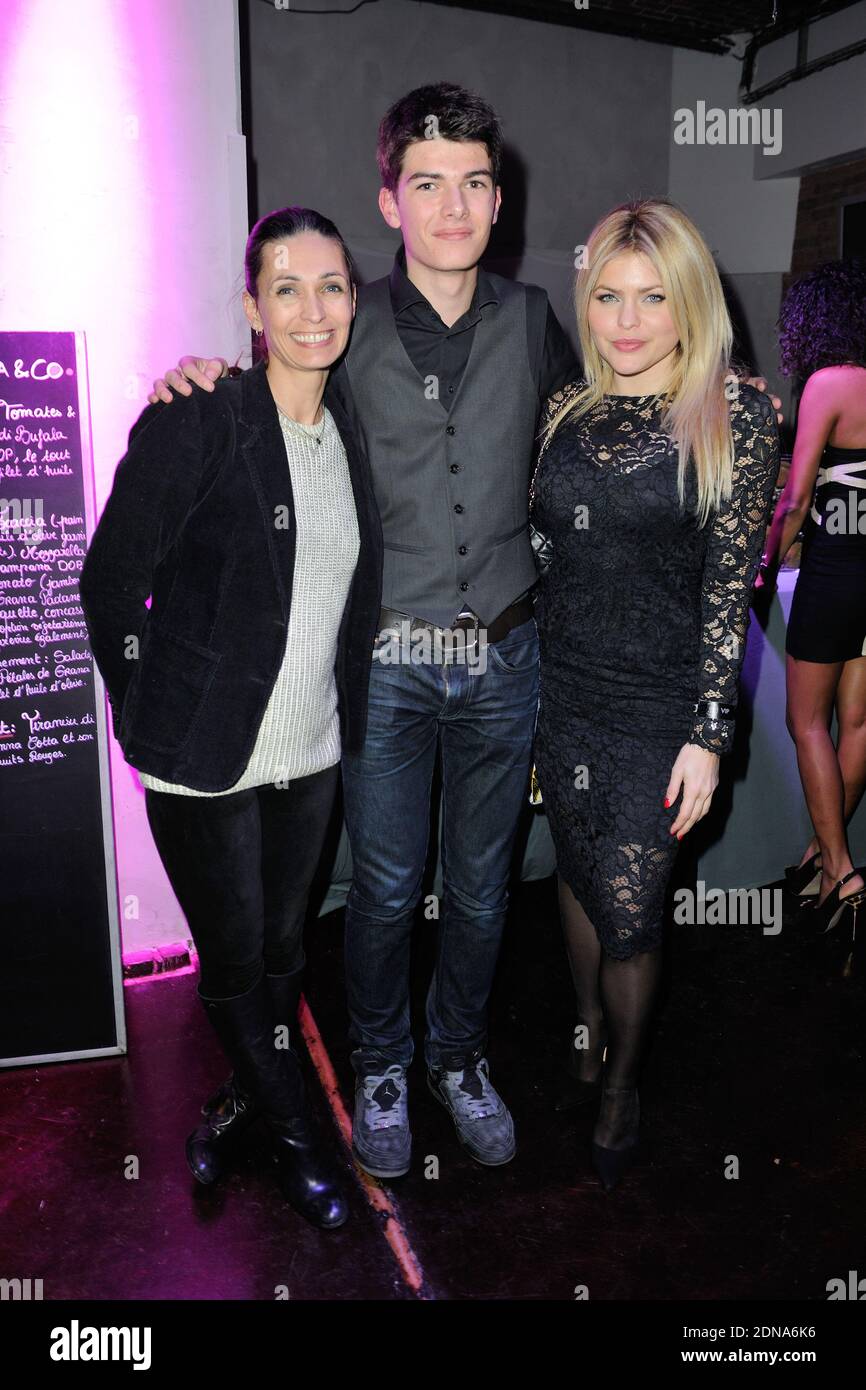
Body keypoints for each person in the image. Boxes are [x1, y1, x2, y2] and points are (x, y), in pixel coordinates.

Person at [148, 84, 781, 1183]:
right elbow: (272, 392)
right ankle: (384, 1065)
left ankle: (456, 1057)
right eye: (427, 183)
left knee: (483, 888)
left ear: (498, 200)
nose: (453, 205)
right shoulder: (341, 330)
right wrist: (200, 377)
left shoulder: (539, 323)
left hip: (509, 655)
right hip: (390, 662)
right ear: (389, 200)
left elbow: (619, 430)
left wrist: (728, 397)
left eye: (474, 183)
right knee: (389, 887)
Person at [80, 207, 383, 1228]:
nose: (311, 308)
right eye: (285, 288)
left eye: (331, 285)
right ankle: (303, 1140)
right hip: (202, 762)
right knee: (237, 957)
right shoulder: (201, 417)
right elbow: (111, 582)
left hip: (311, 754)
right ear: (252, 307)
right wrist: (143, 719)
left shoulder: (349, 434)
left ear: (353, 297)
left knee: (285, 952)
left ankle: (243, 1100)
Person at [529, 198, 780, 1190]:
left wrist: (708, 735)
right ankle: (586, 1025)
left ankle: (621, 1081)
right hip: (562, 685)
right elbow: (543, 548)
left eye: (651, 298)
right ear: (583, 302)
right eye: (605, 296)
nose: (626, 321)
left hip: (662, 704)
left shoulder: (738, 410)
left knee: (632, 907)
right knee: (577, 869)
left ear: (688, 306)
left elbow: (729, 587)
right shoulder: (564, 410)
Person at [758, 260, 866, 944]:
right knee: (857, 725)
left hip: (835, 578)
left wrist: (764, 561)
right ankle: (823, 861)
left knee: (807, 723)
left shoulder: (829, 383)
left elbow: (794, 499)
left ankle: (842, 870)